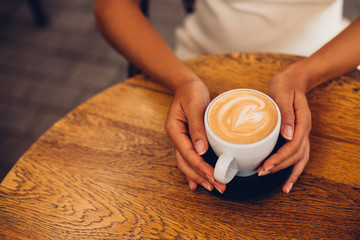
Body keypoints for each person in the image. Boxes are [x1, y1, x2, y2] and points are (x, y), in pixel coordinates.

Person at [94, 0, 360, 194]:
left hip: (324, 62)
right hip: (193, 65)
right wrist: (182, 81)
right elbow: (111, 7)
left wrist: (304, 75)